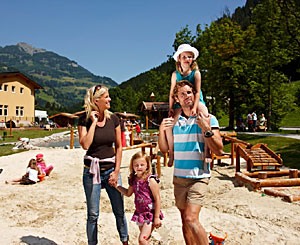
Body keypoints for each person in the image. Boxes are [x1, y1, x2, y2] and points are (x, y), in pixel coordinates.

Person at [158, 80, 223, 244]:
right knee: (184, 221)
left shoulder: (208, 118)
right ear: (177, 99)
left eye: (189, 92)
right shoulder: (174, 122)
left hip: (199, 177)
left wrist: (207, 129)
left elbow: (219, 150)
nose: (187, 96)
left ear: (195, 95)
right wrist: (161, 130)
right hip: (179, 178)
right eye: (182, 94)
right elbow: (164, 149)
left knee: (190, 218)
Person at [78, 85, 129, 245]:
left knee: (119, 211)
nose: (109, 99)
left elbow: (119, 146)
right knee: (93, 215)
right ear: (96, 100)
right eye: (106, 97)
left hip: (111, 171)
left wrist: (116, 171)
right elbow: (85, 145)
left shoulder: (114, 119)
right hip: (91, 172)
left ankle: (125, 241)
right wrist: (93, 123)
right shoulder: (84, 119)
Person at [167, 44, 209, 167]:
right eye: (184, 56)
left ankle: (207, 151)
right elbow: (171, 93)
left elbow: (197, 91)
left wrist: (195, 107)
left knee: (205, 115)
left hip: (196, 99)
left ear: (193, 59)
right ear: (179, 59)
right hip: (180, 101)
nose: (187, 59)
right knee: (169, 124)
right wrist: (170, 108)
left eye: (189, 57)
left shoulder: (196, 73)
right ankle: (171, 152)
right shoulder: (175, 74)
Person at [113, 152, 163, 244]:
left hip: (150, 213)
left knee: (142, 239)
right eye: (136, 165)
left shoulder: (150, 180)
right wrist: (117, 186)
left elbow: (157, 198)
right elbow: (128, 193)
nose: (139, 167)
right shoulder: (134, 180)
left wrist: (156, 217)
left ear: (147, 166)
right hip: (140, 214)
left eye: (142, 165)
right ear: (132, 166)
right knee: (144, 239)